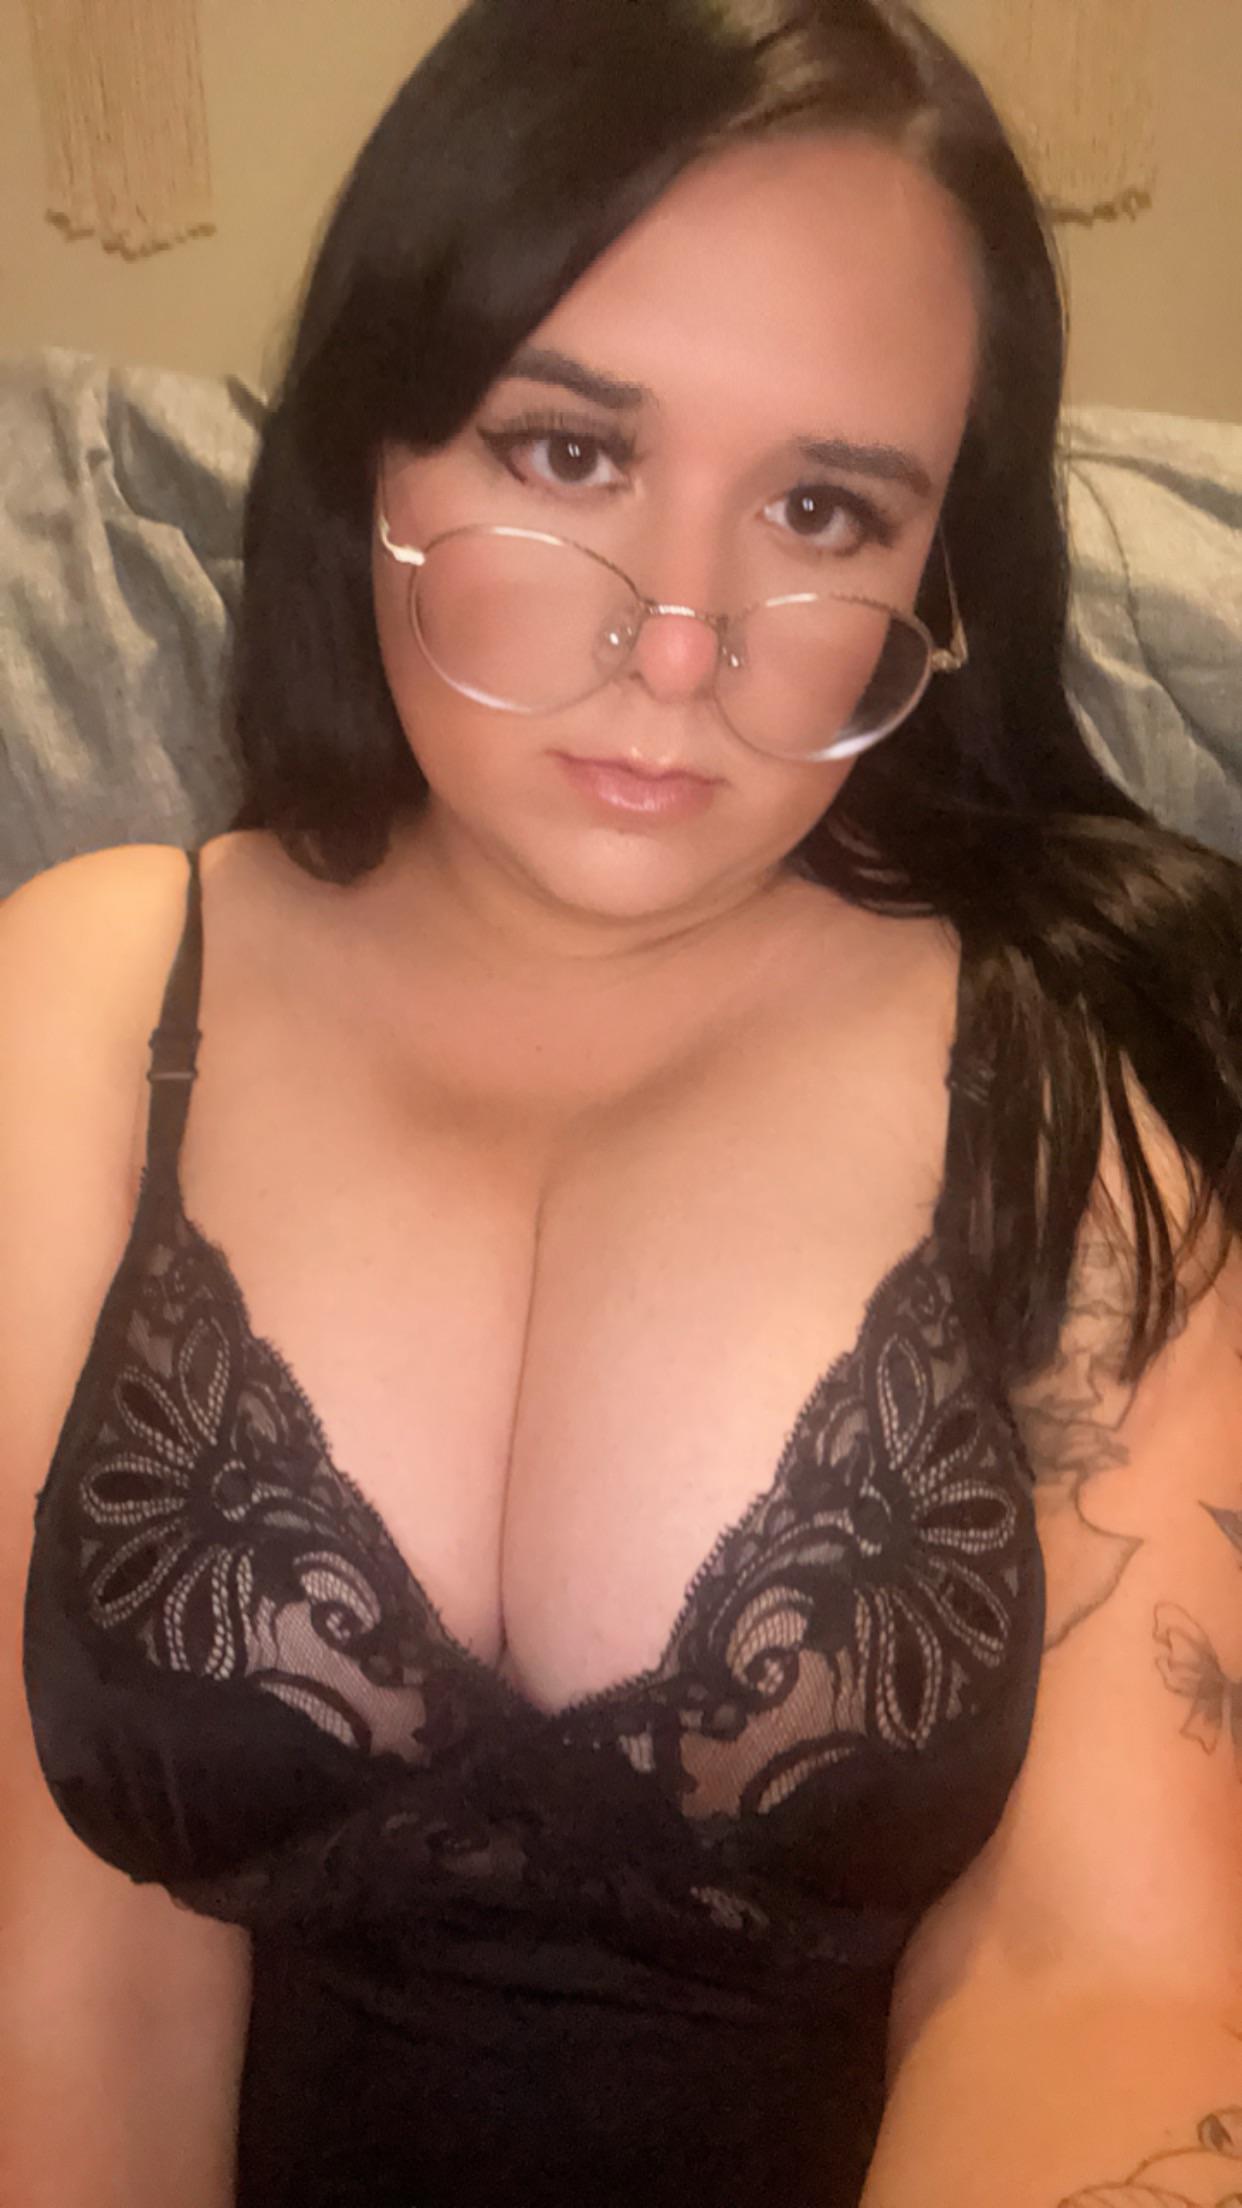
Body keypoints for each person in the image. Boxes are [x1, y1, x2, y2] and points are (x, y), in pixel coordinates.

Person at [4, 1, 1241, 2202]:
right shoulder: (92, 1001)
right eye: (569, 453)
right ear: (378, 449)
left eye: (823, 506)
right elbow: (70, 1965)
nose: (681, 644)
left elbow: (1101, 1982)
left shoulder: (1093, 1065)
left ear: (939, 573)